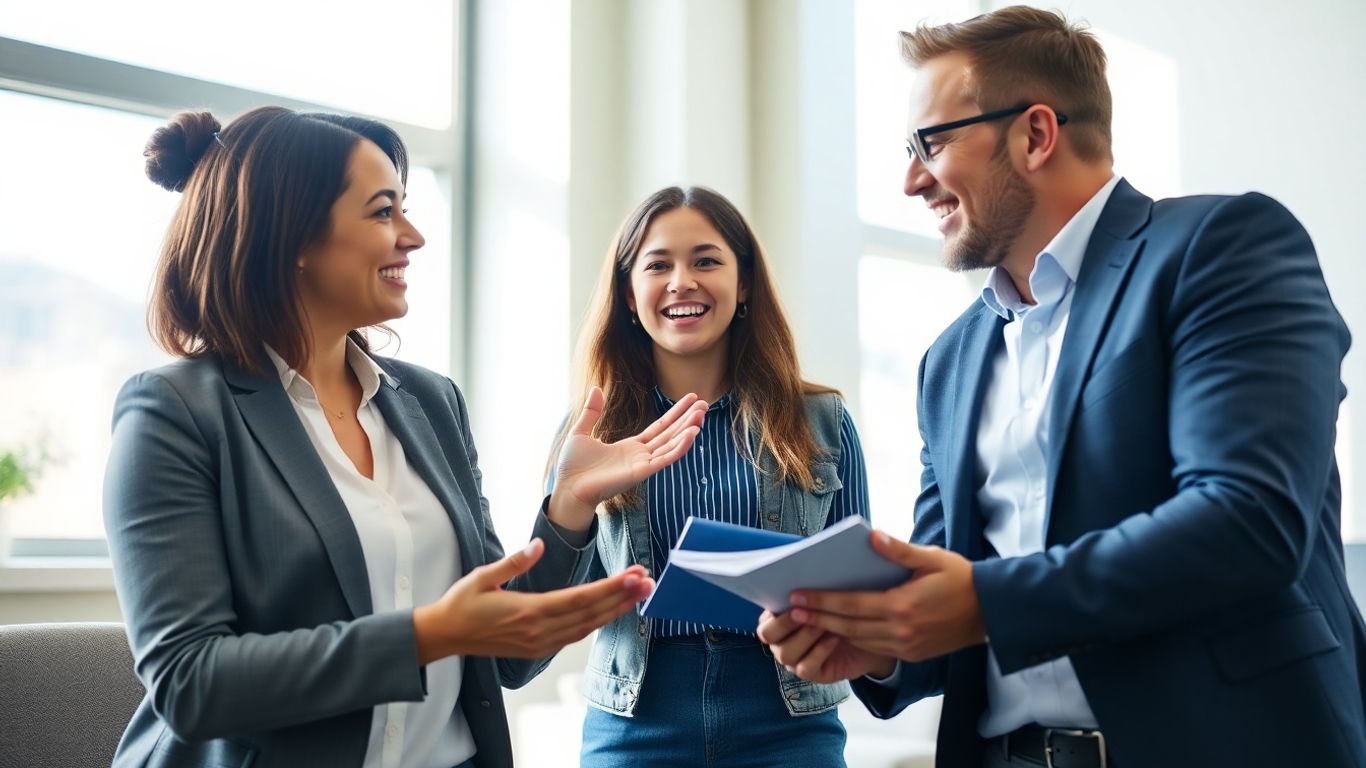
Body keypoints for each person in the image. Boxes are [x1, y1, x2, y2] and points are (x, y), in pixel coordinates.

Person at [758, 7, 1366, 767]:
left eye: (931, 143)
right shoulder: (950, 359)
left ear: (1036, 134)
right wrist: (875, 642)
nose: (912, 179)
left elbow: (1248, 519)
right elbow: (952, 591)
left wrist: (986, 600)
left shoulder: (1222, 248)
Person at [104, 106, 708, 768]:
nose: (413, 236)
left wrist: (568, 505)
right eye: (383, 211)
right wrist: (426, 635)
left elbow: (504, 652)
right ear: (294, 236)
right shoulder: (175, 413)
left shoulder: (429, 401)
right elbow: (190, 683)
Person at [548, 186, 871, 766]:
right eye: (657, 265)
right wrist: (568, 507)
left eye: (706, 260)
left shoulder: (822, 421)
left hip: (788, 721)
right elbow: (532, 634)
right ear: (628, 292)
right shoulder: (590, 433)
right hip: (637, 721)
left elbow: (860, 593)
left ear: (743, 283)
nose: (681, 281)